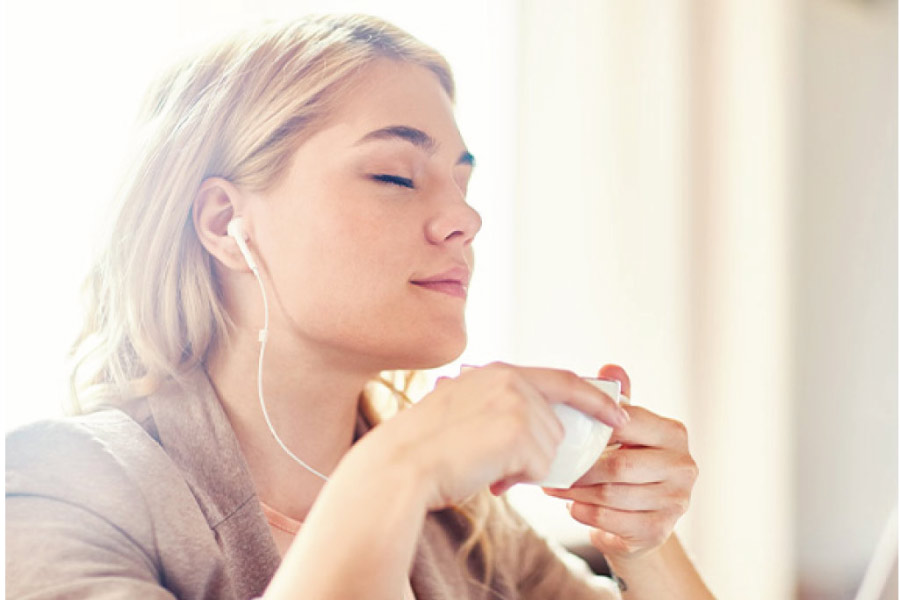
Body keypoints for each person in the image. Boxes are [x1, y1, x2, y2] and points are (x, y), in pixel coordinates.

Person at [6, 14, 715, 599]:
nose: (464, 221)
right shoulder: (55, 486)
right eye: (395, 176)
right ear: (226, 223)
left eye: (461, 186)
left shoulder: (471, 531)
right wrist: (394, 469)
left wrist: (642, 545)